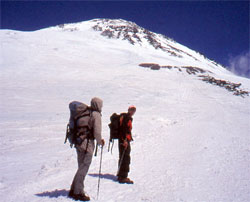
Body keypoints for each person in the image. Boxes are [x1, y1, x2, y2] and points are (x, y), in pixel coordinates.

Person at [69, 97, 105, 201]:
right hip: (87, 144)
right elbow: (97, 132)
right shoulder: (96, 115)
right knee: (84, 168)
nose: (101, 107)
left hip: (78, 142)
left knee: (81, 167)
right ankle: (78, 192)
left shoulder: (85, 113)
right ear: (97, 105)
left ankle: (74, 190)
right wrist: (100, 141)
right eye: (100, 105)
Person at [117, 105, 136, 184]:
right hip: (124, 141)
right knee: (125, 158)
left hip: (122, 140)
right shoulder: (126, 118)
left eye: (134, 110)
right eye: (131, 110)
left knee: (123, 157)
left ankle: (120, 175)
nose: (133, 112)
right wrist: (125, 140)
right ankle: (123, 176)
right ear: (129, 110)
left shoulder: (124, 117)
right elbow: (124, 129)